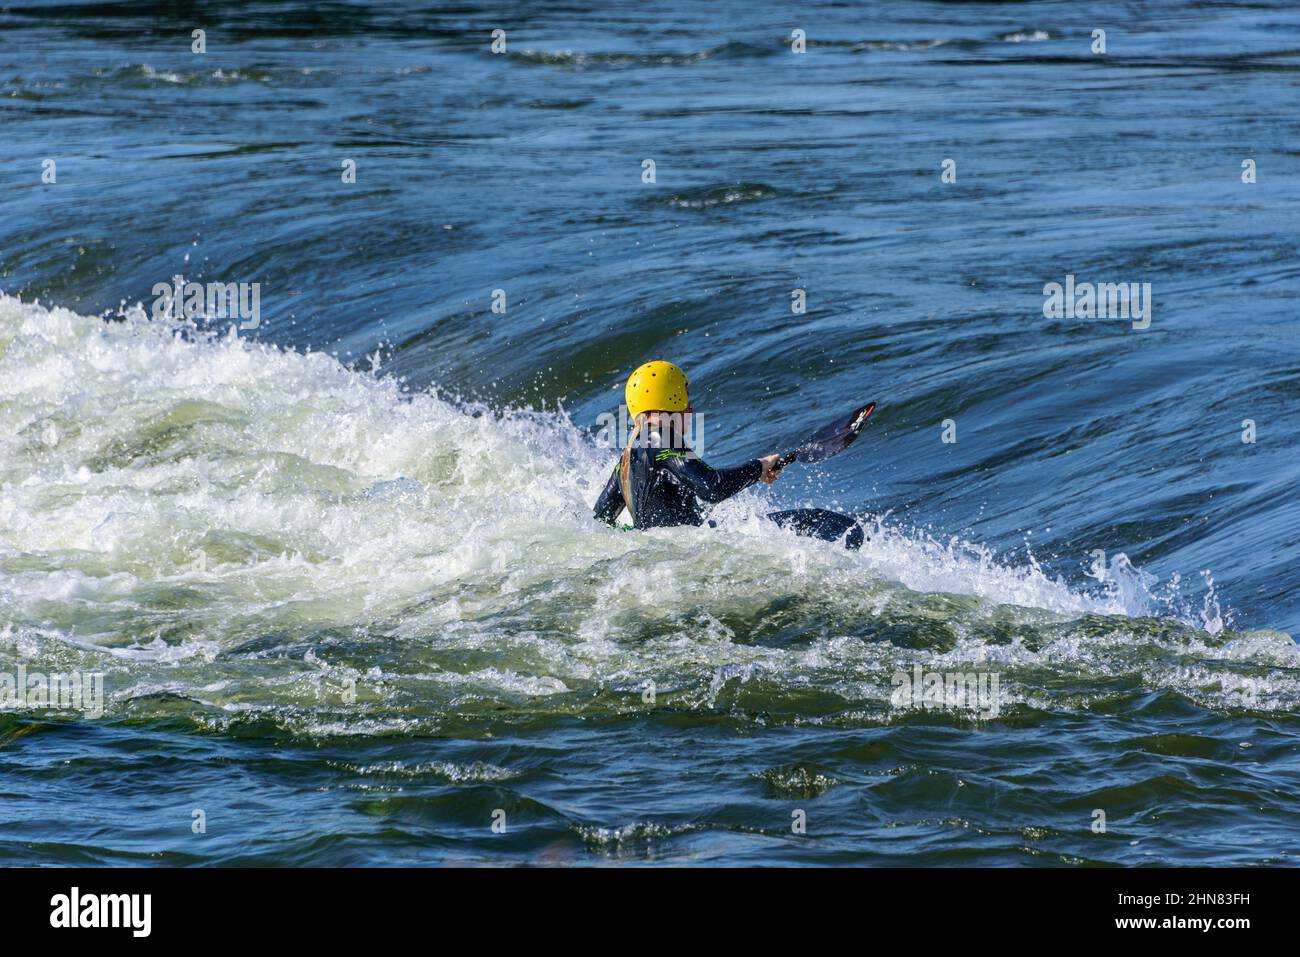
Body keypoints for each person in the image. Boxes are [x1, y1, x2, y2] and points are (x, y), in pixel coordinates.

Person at [592, 360, 864, 549]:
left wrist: (638, 536)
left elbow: (600, 520)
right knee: (829, 523)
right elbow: (713, 487)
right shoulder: (662, 440)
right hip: (691, 552)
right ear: (673, 401)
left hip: (672, 552)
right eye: (687, 401)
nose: (691, 409)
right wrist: (757, 466)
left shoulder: (628, 458)